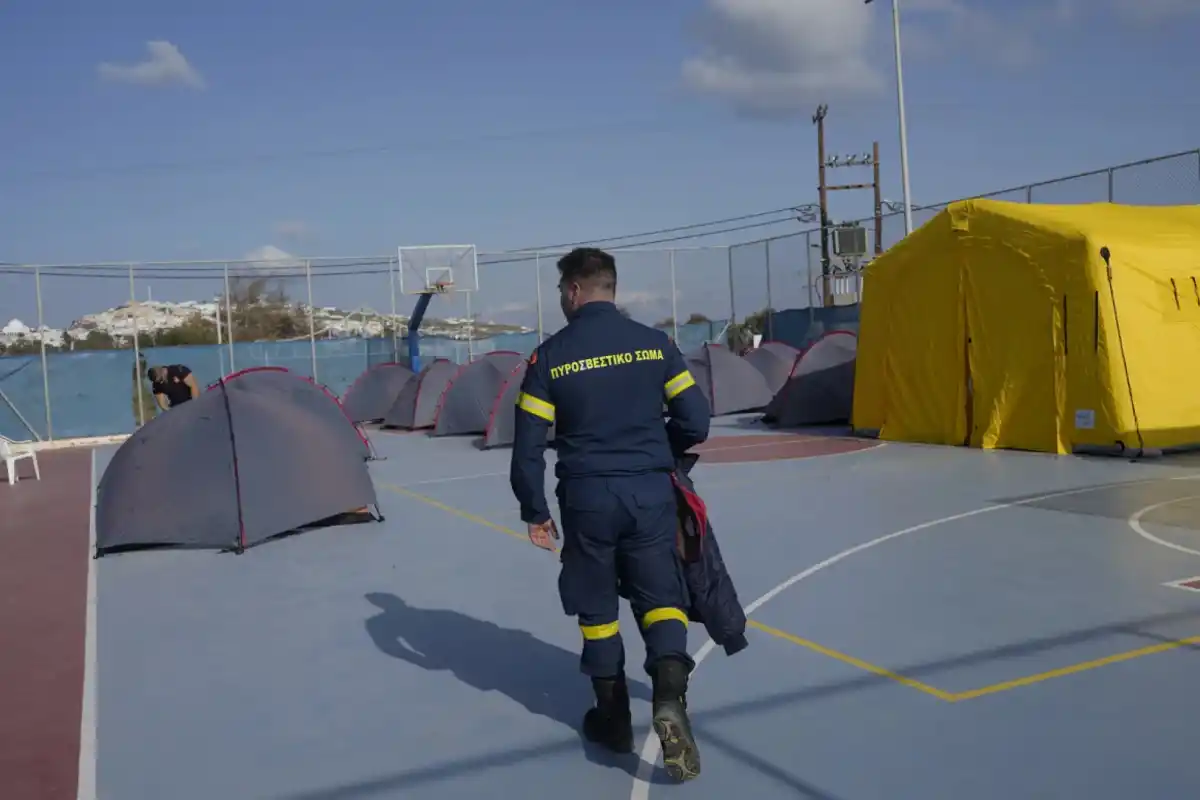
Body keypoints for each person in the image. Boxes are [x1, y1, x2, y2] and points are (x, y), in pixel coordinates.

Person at [509, 247, 711, 782]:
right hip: (648, 493)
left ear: (574, 290)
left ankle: (613, 719)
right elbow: (696, 418)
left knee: (597, 608)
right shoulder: (655, 345)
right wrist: (660, 453)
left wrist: (534, 509)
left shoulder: (550, 357)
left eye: (560, 292)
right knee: (661, 597)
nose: (560, 300)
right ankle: (669, 698)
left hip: (587, 499)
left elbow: (527, 446)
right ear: (611, 287)